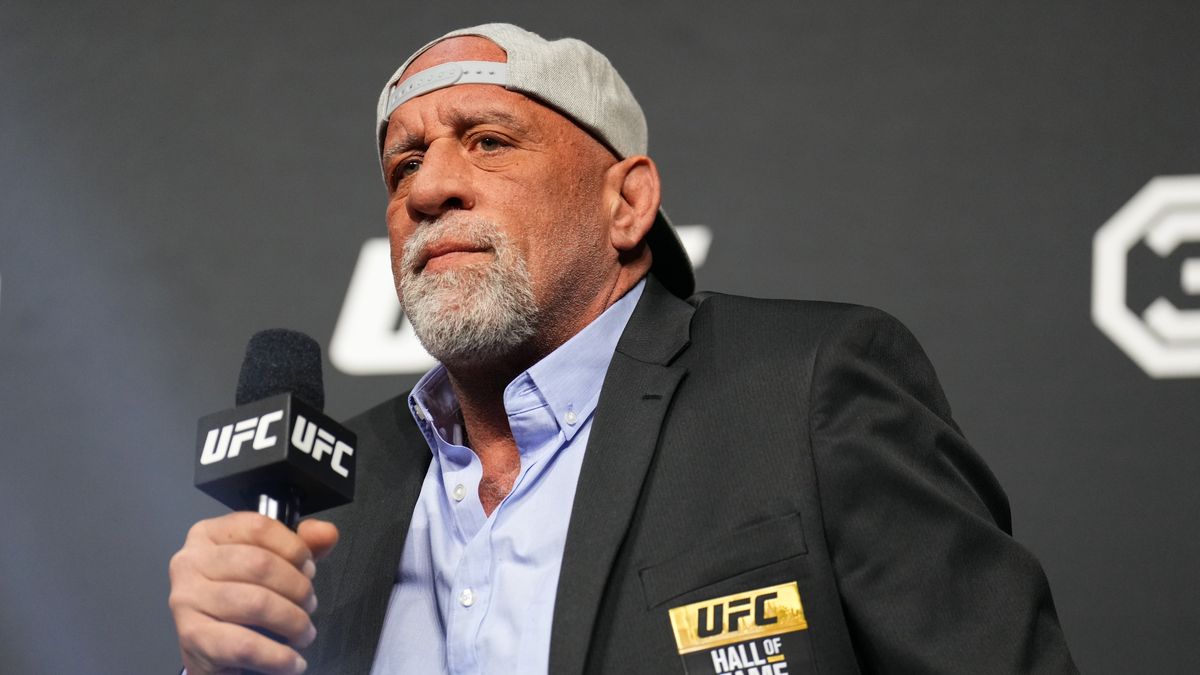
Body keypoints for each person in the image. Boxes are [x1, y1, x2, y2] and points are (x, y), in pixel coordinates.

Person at [168, 23, 1079, 675]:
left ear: (627, 203)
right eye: (404, 165)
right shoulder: (340, 485)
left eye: (488, 141)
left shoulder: (808, 388)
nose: (432, 186)